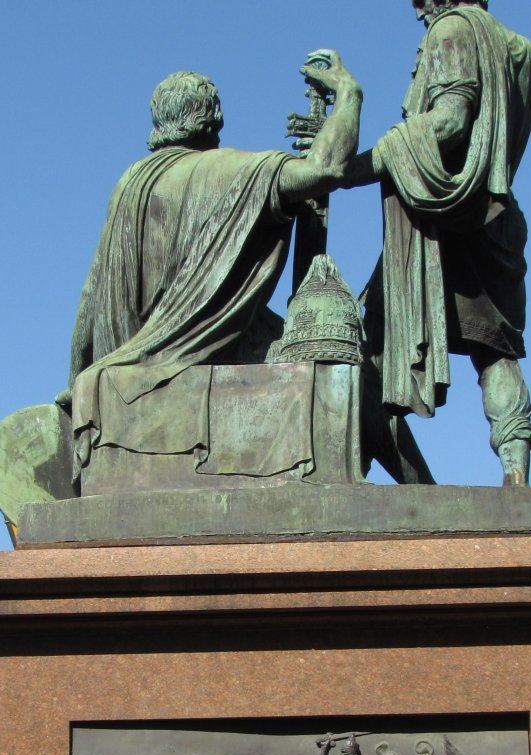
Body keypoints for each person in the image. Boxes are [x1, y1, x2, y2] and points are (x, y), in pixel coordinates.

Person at [63, 56, 364, 480]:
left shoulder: (128, 185)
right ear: (214, 118)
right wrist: (349, 93)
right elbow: (326, 169)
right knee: (346, 371)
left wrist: (77, 382)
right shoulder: (231, 169)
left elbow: (90, 299)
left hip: (125, 368)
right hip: (209, 354)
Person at [344, 0, 531, 485]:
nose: (419, 15)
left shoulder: (451, 30)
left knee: (372, 353)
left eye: (420, 1)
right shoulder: (519, 50)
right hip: (497, 219)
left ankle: (382, 483)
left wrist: (358, 164)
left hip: (441, 222)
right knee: (494, 352)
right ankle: (516, 475)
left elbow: (451, 121)